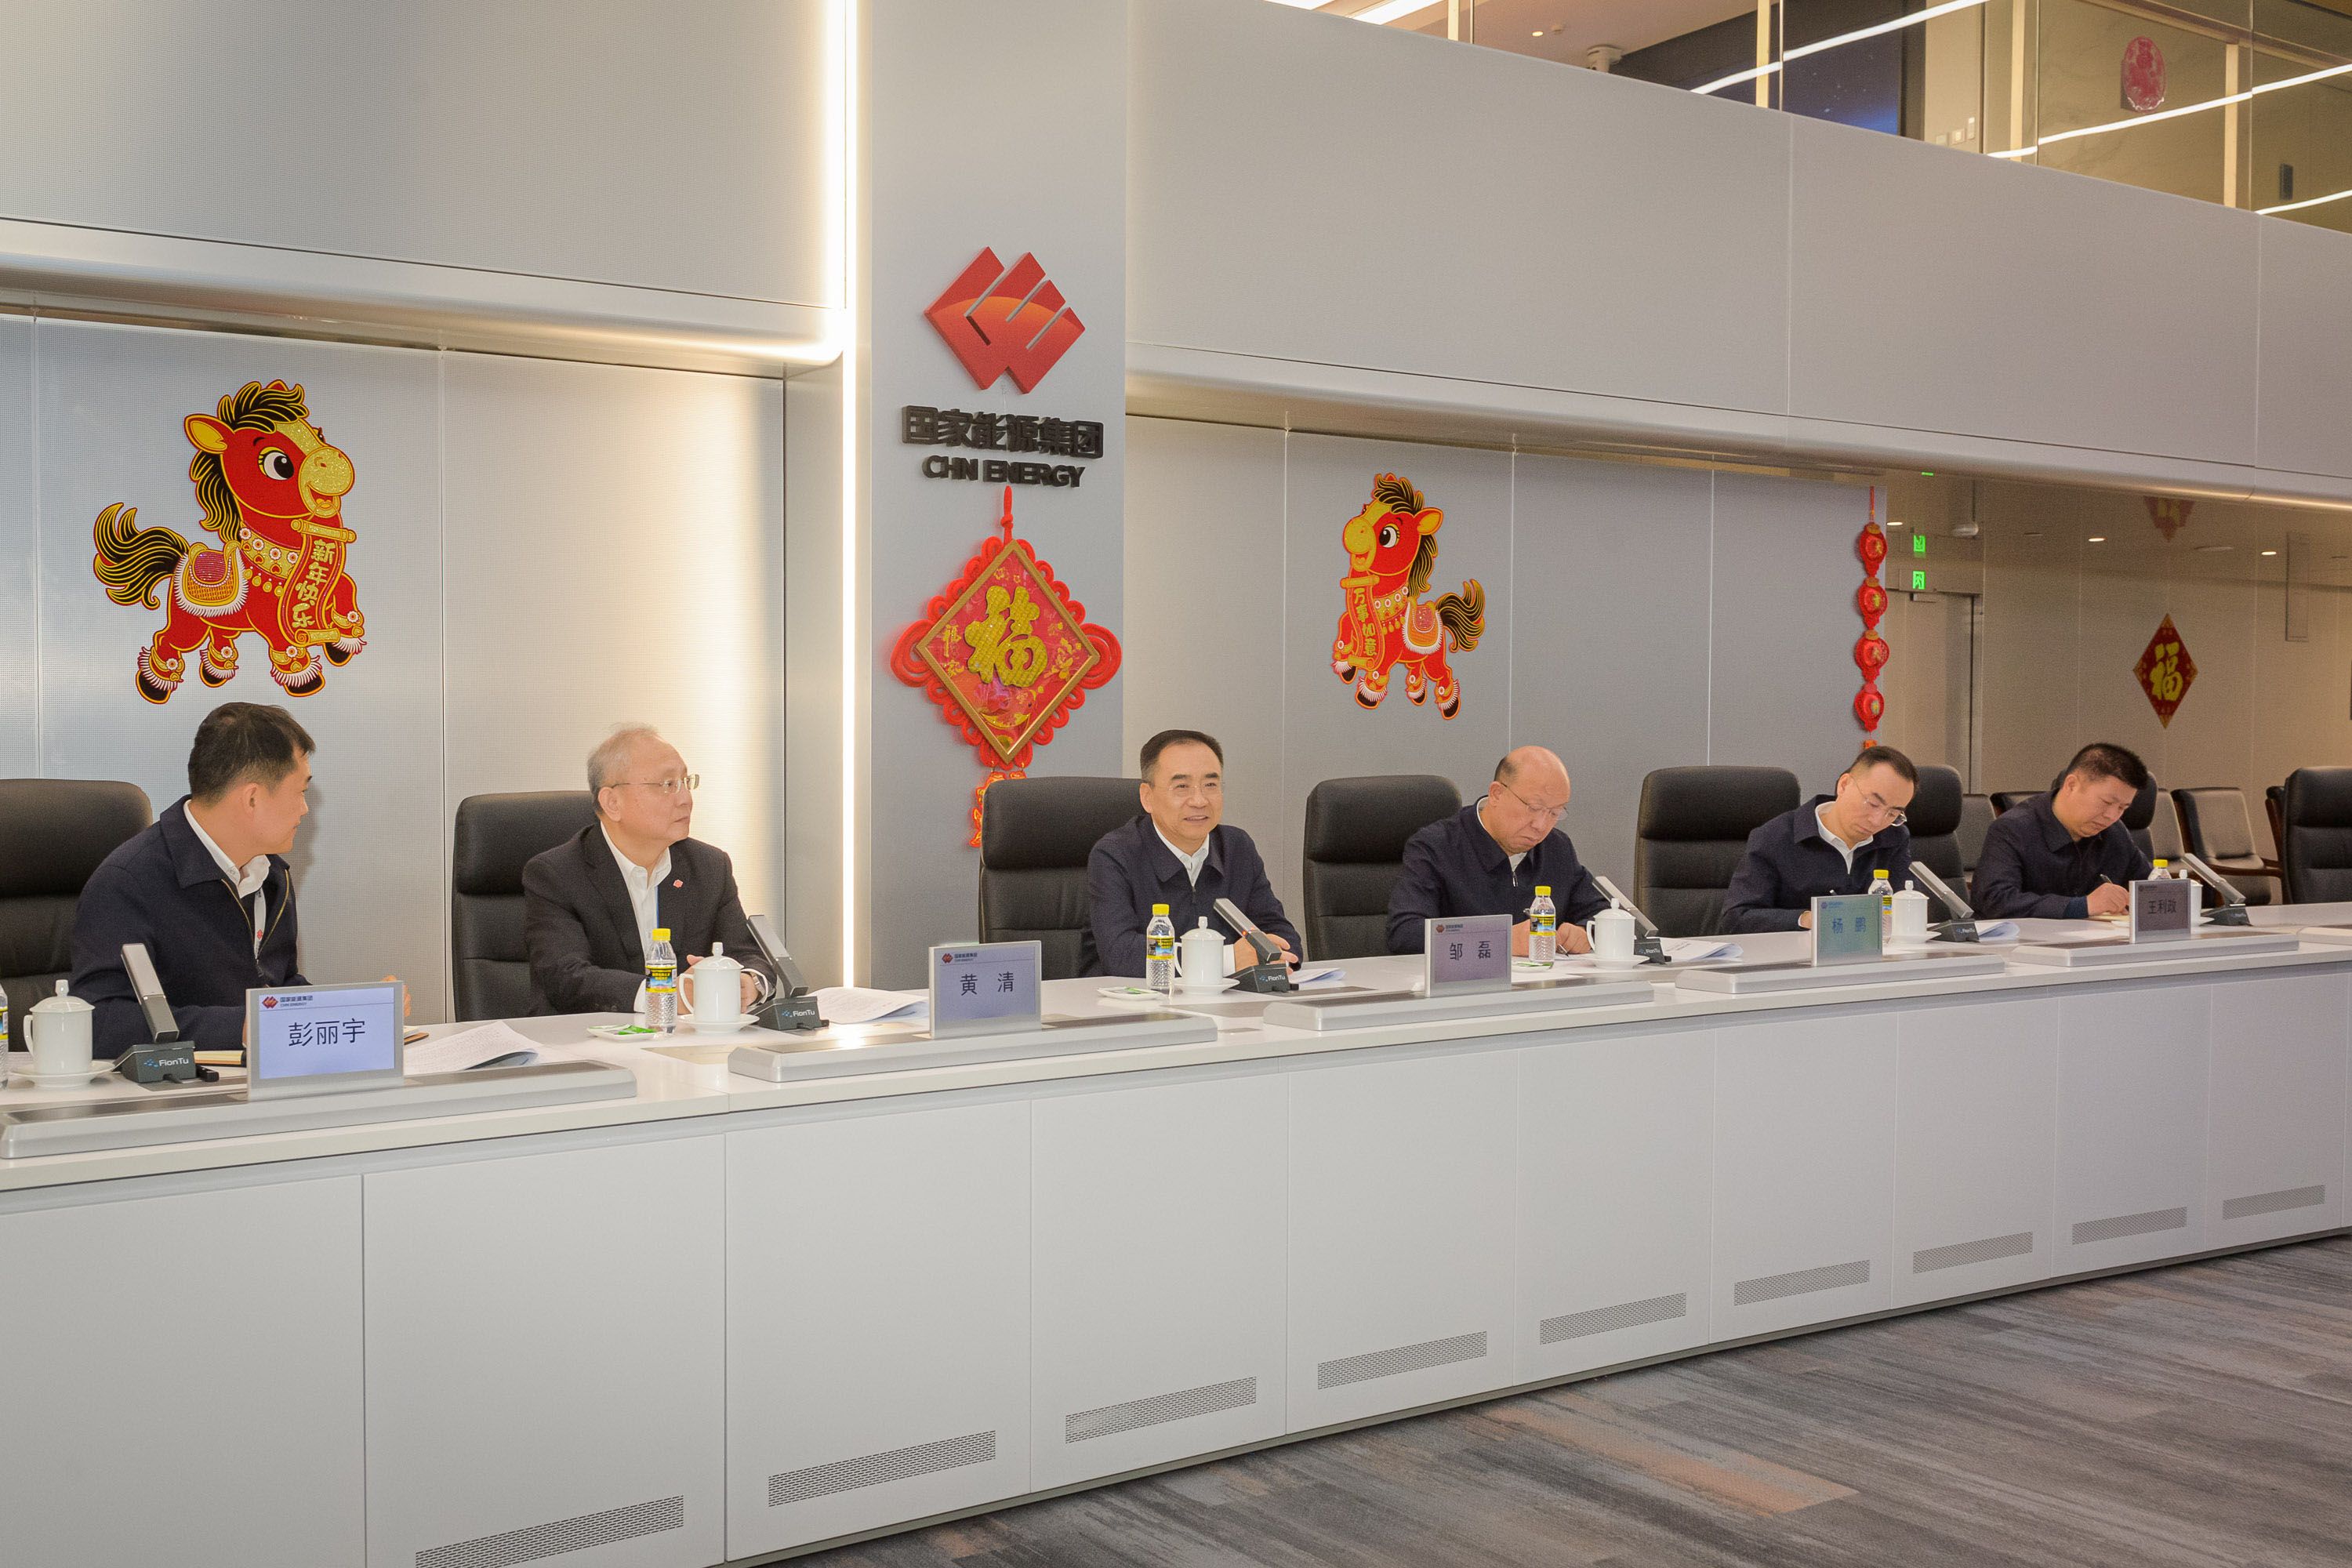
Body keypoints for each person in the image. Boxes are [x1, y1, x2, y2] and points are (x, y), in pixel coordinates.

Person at [71, 702, 315, 1054]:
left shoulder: (271, 873)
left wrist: (356, 1011)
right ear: (252, 798)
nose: (304, 809)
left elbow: (279, 984)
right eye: (300, 792)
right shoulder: (128, 882)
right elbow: (100, 1021)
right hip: (176, 1085)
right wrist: (241, 1028)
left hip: (254, 1076)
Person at [522, 725, 773, 1015]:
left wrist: (748, 983)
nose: (685, 799)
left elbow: (746, 954)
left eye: (685, 782)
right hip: (588, 1037)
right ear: (612, 803)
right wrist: (665, 995)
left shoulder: (709, 866)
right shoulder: (556, 874)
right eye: (667, 785)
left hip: (687, 1039)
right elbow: (566, 977)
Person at [1082, 729, 1301, 978]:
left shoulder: (1237, 847)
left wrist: (1276, 956)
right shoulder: (1115, 854)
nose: (1199, 800)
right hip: (1135, 999)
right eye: (1182, 786)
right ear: (1147, 797)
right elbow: (1120, 953)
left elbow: (1284, 938)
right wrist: (1225, 960)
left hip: (1229, 1000)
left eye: (1210, 785)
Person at [1387, 746, 1606, 956]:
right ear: (1497, 794)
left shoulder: (1557, 848)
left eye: (1554, 813)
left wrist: (1586, 932)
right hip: (1467, 980)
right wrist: (1499, 939)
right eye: (1534, 808)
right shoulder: (1436, 846)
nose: (1541, 825)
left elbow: (1604, 913)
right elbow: (1405, 933)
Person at [1722, 745, 1919, 933]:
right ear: (1844, 785)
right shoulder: (1776, 837)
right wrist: (1808, 919)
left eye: (1893, 814)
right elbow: (1736, 919)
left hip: (1873, 953)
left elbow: (1907, 908)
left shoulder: (1894, 837)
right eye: (1873, 803)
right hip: (1794, 954)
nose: (1877, 821)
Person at [1972, 742, 2154, 920]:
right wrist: (2083, 906)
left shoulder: (2115, 833)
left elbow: (2150, 886)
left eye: (2122, 807)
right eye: (2106, 802)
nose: (2112, 816)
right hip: (2027, 939)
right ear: (2071, 785)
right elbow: (1995, 901)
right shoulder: (2013, 829)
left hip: (2093, 938)